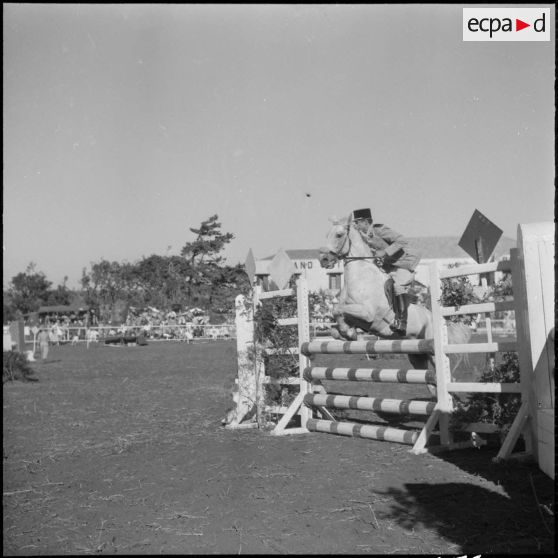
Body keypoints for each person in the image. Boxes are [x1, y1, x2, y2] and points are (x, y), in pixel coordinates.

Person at [352, 208, 420, 336]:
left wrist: (385, 252)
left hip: (404, 262)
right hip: (389, 266)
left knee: (397, 286)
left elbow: (402, 240)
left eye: (358, 222)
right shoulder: (362, 236)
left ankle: (401, 322)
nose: (356, 225)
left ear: (366, 222)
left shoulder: (379, 230)